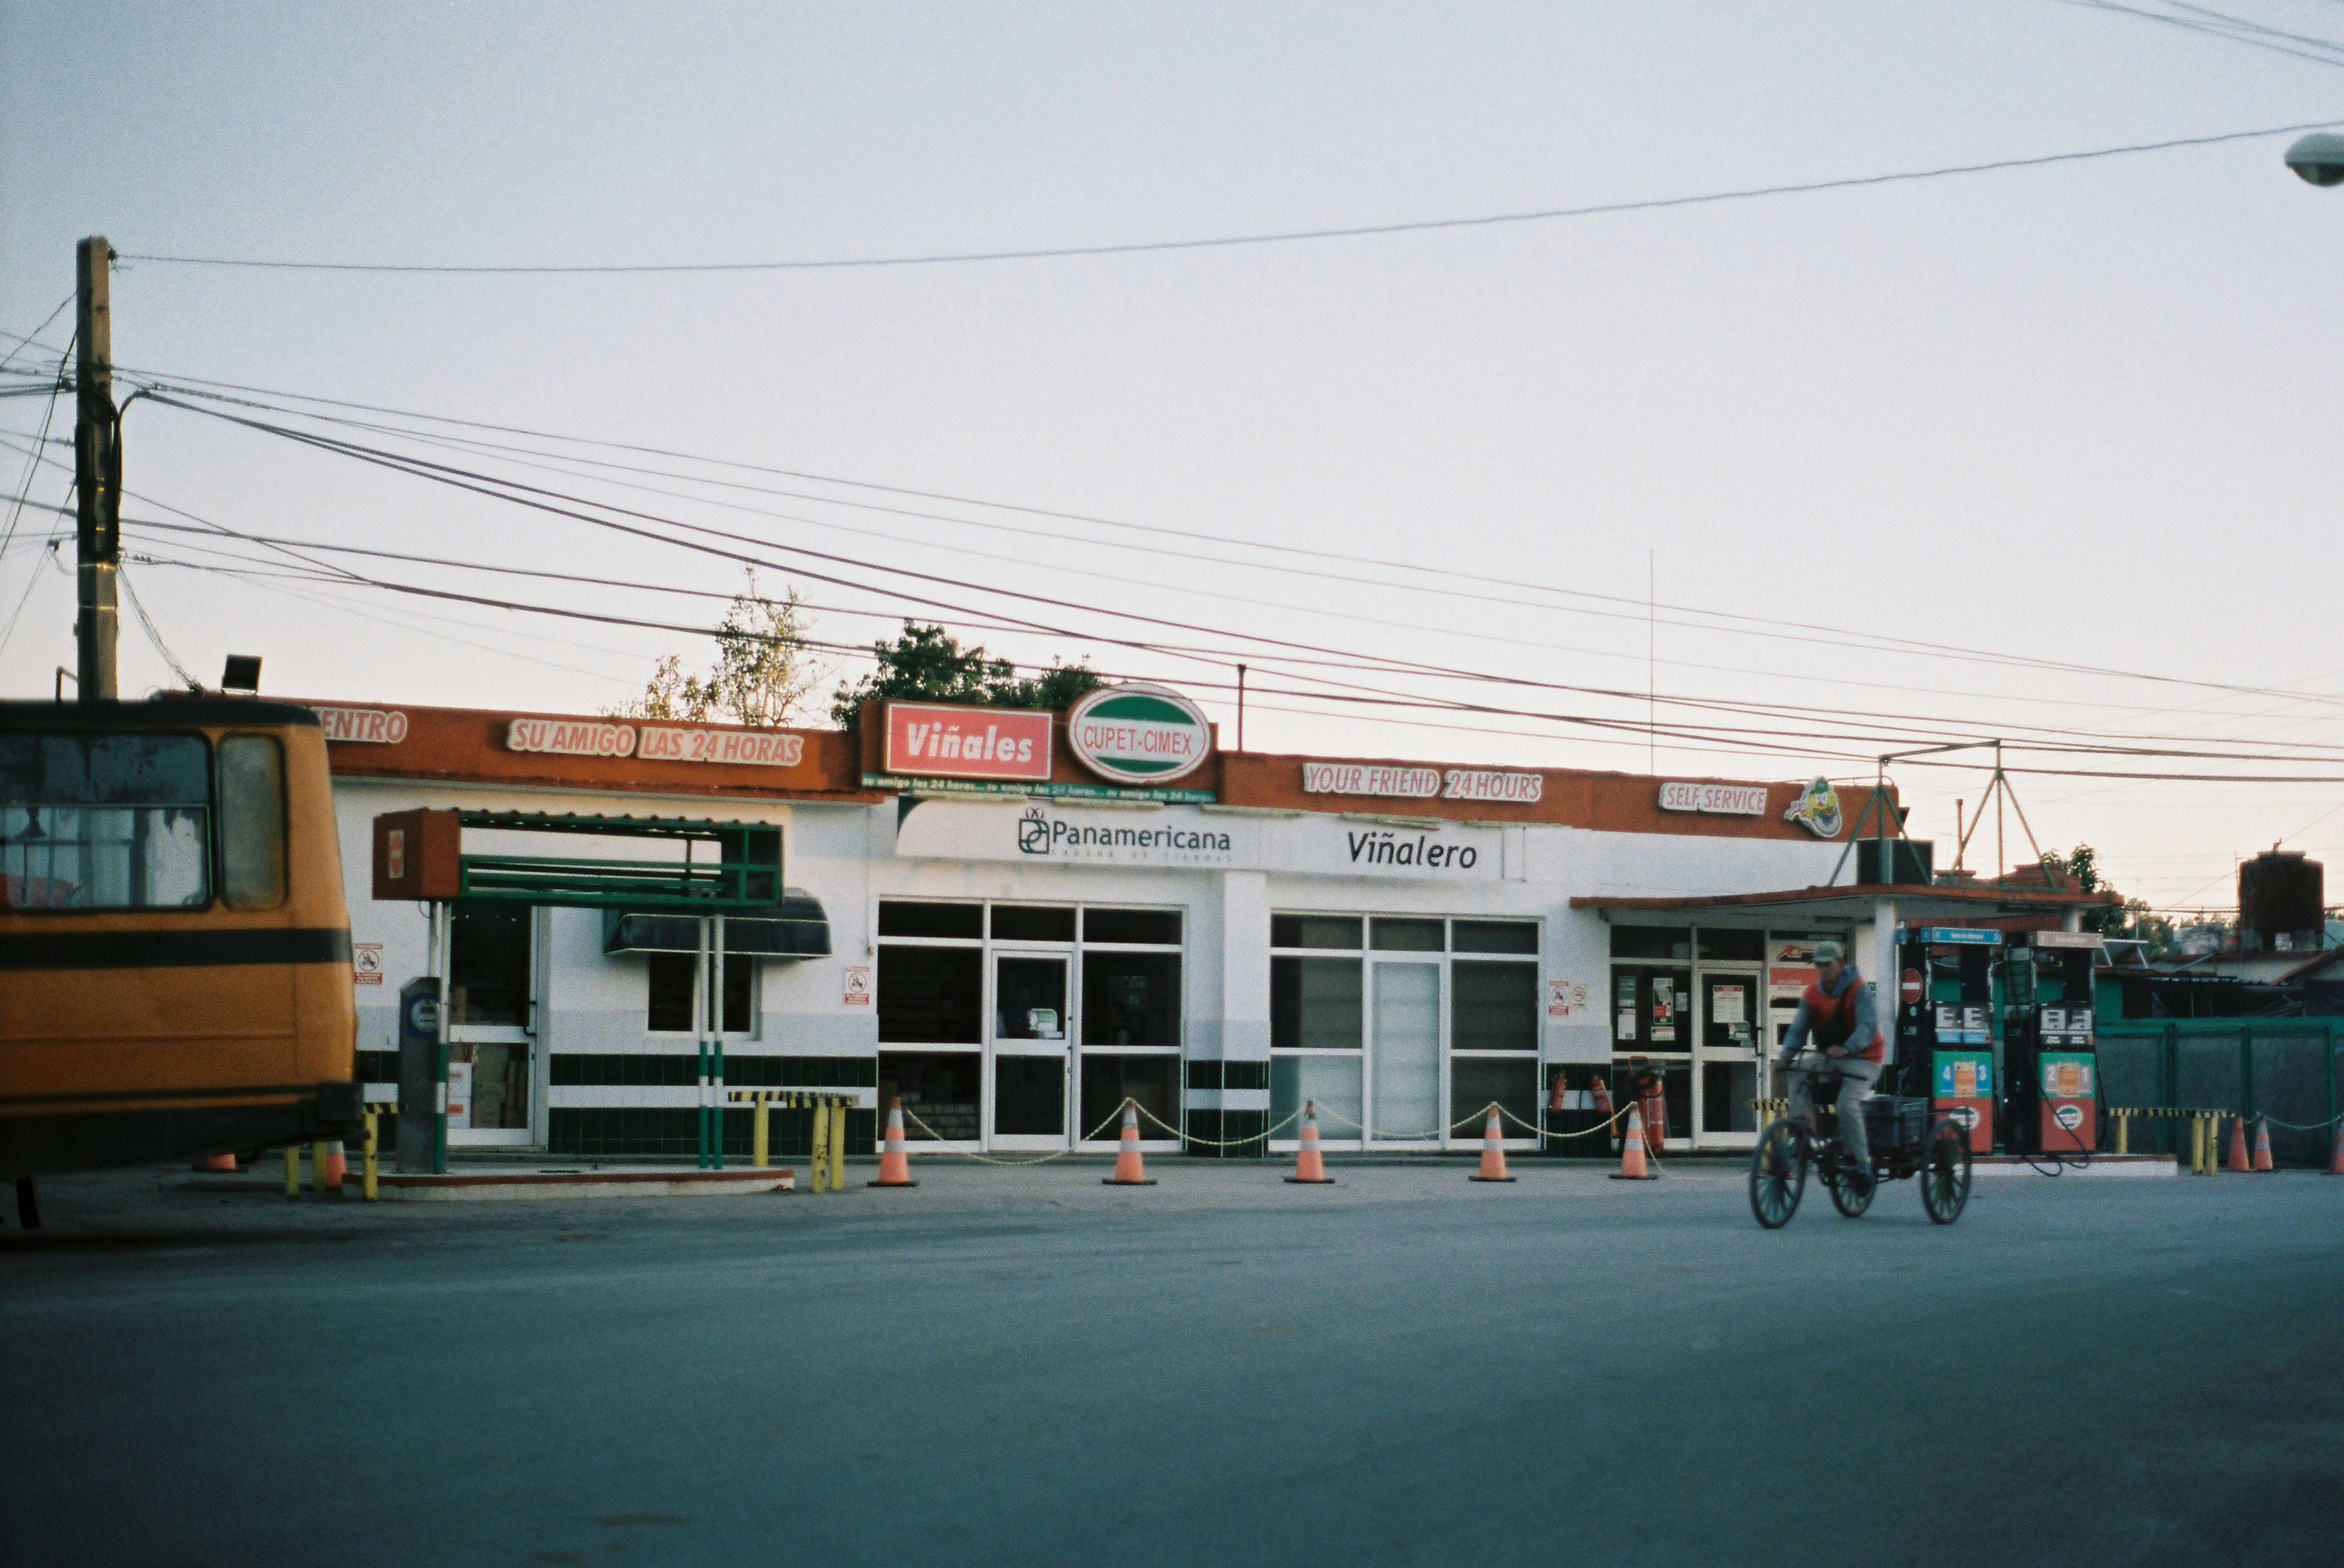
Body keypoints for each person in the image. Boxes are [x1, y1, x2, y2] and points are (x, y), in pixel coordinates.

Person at [1776, 940, 1888, 1193]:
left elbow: (1868, 1027)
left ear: (1841, 964)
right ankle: (1802, 1127)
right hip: (1831, 1057)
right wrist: (1785, 1057)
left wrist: (1848, 1048)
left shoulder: (1858, 989)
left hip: (1865, 1059)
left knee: (1845, 1105)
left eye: (1828, 964)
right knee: (1798, 1071)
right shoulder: (1811, 994)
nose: (1823, 970)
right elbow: (1798, 1029)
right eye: (1819, 965)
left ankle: (1863, 1166)